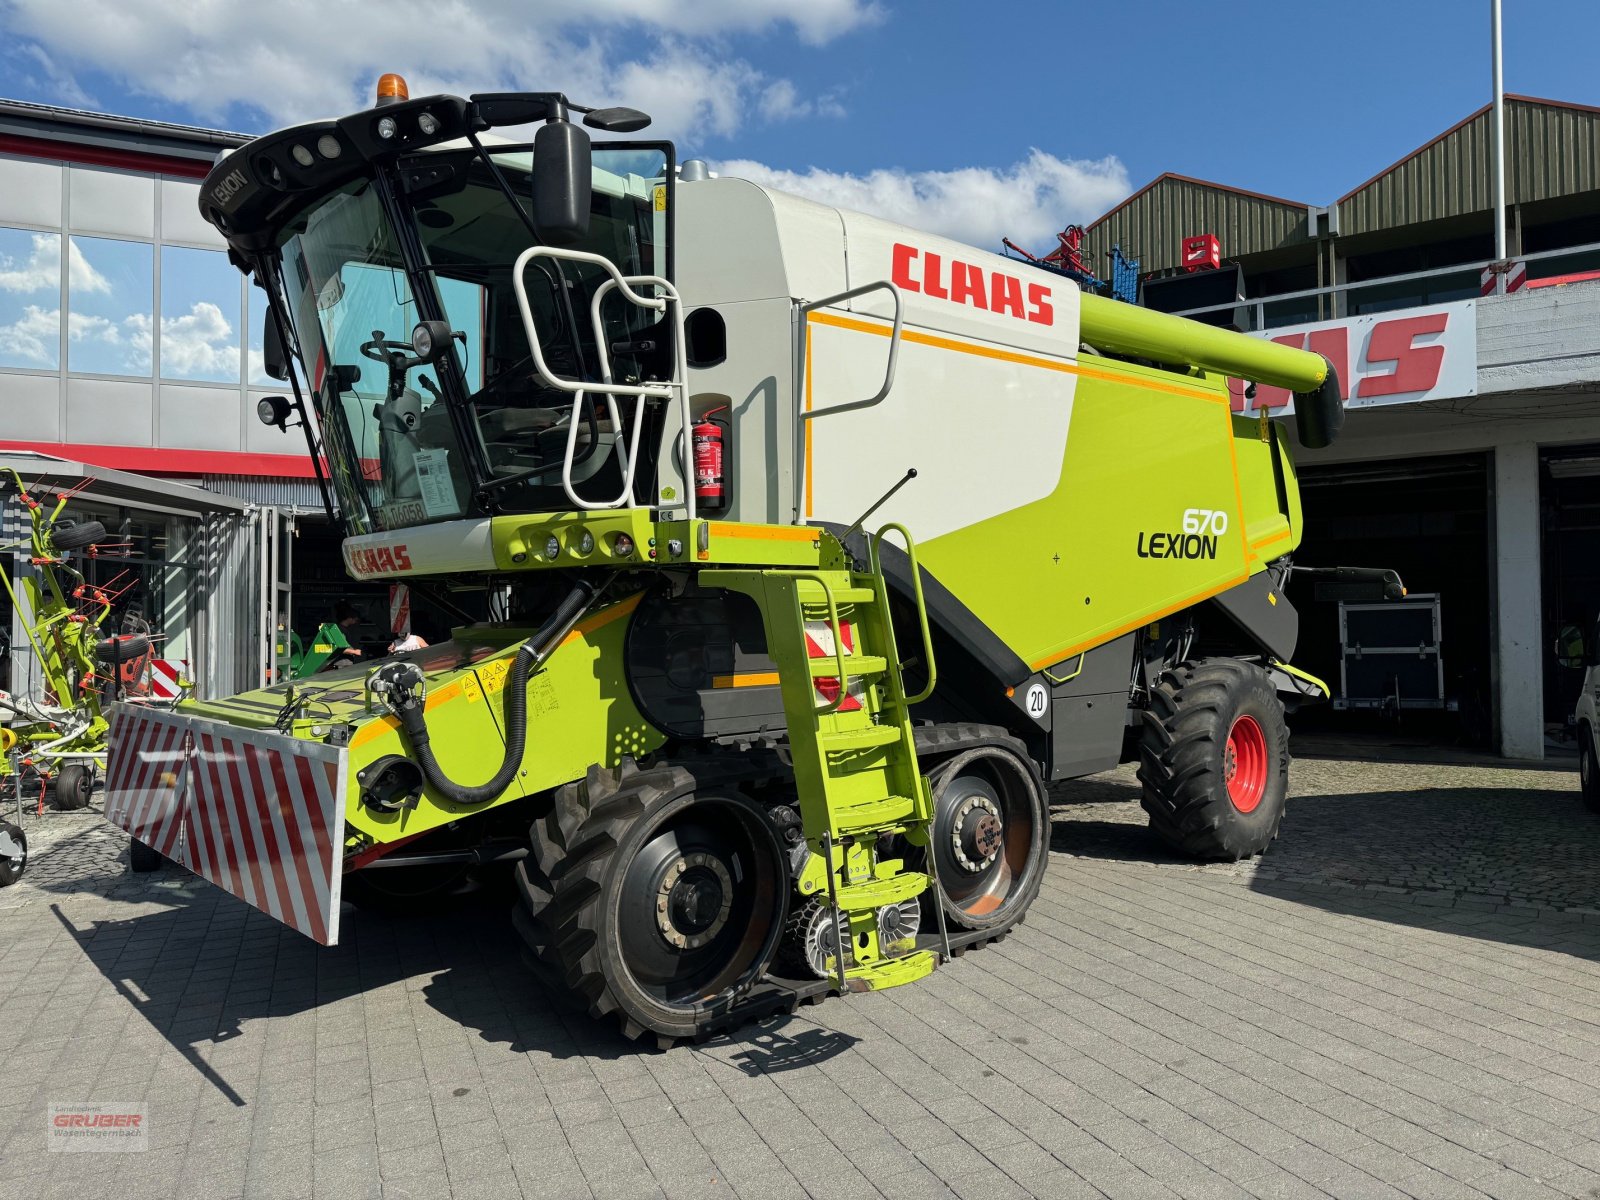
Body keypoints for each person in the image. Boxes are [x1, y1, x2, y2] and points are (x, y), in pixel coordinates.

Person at [293, 601, 364, 677]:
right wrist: (354, 651)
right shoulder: (340, 630)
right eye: (355, 620)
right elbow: (338, 647)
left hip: (342, 664)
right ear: (349, 618)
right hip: (341, 665)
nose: (355, 622)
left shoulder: (339, 629)